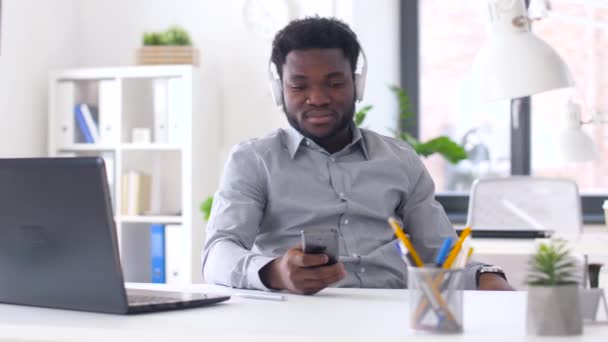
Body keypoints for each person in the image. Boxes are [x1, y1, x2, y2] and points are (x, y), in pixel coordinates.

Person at [202, 17, 513, 295]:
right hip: (299, 317)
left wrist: (488, 277)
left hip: (393, 316)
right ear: (279, 90)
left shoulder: (400, 160)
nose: (318, 98)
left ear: (357, 84)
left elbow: (441, 256)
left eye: (335, 83)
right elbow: (217, 254)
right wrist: (276, 272)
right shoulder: (254, 161)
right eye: (298, 85)